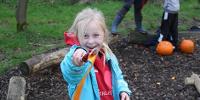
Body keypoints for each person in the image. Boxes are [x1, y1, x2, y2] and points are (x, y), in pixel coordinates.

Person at [60, 8, 131, 100]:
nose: (91, 41)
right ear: (77, 37)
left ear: (104, 34)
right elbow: (71, 75)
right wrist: (76, 64)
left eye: (96, 35)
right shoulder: (78, 56)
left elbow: (118, 77)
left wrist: (123, 90)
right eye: (85, 36)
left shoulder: (109, 55)